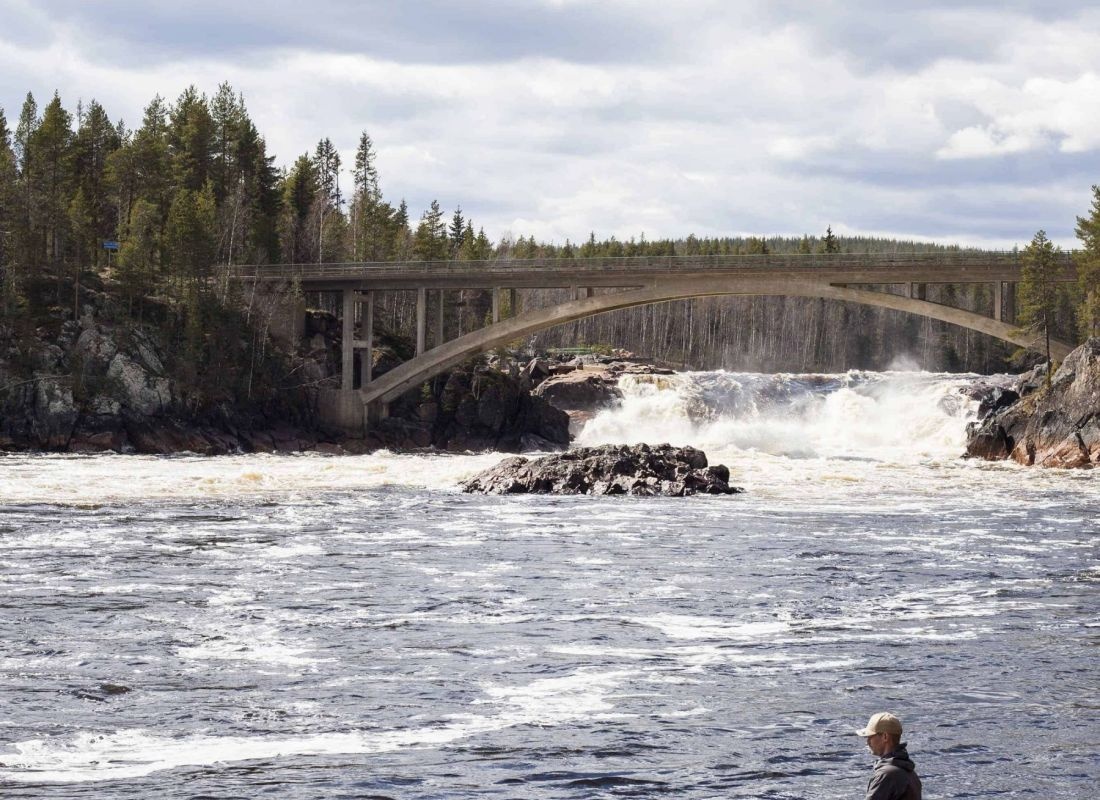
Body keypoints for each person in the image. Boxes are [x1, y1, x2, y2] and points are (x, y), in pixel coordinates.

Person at [857, 712, 922, 800]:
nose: (867, 742)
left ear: (885, 737)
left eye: (870, 736)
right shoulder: (910, 772)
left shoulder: (886, 774)